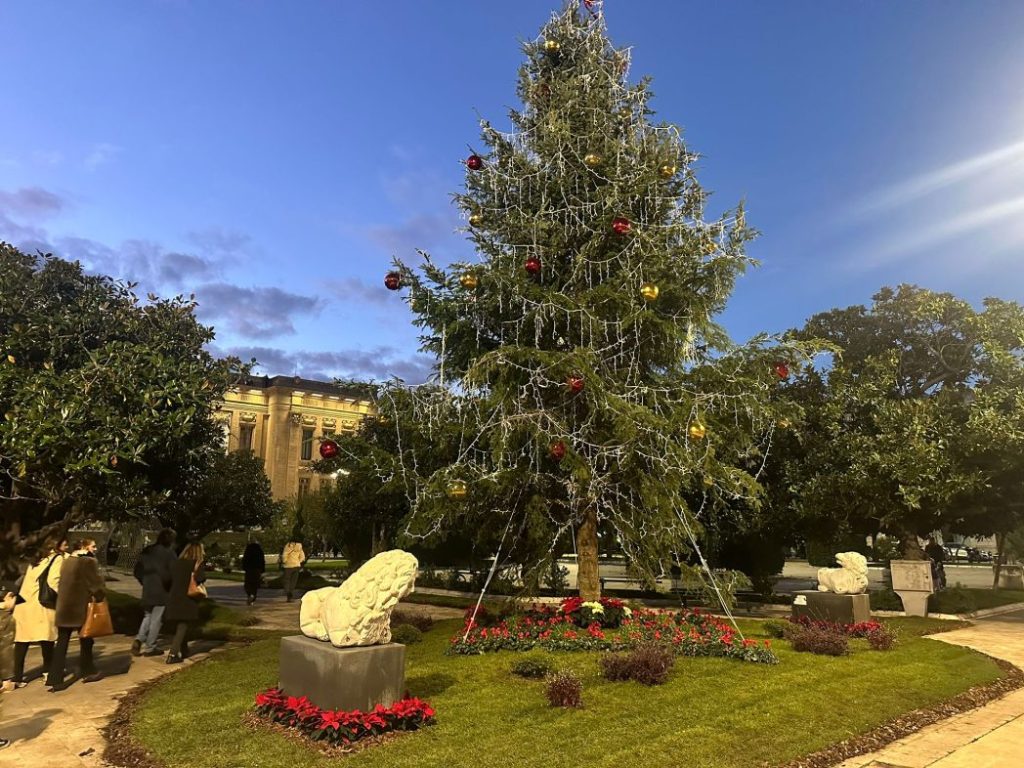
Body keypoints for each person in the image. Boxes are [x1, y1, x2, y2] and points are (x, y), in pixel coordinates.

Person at [47, 538, 105, 689]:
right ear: (85, 547)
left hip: (64, 607)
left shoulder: (67, 560)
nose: (96, 548)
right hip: (80, 607)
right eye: (93, 546)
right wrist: (100, 597)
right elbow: (96, 585)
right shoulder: (88, 562)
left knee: (62, 642)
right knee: (86, 639)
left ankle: (55, 677)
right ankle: (88, 670)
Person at [10, 539, 62, 686]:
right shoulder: (56, 559)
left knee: (21, 641)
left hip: (23, 604)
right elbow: (53, 582)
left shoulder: (34, 560)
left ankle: (17, 677)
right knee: (46, 639)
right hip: (40, 605)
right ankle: (47, 672)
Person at [132, 528, 177, 657]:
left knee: (148, 616)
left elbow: (137, 571)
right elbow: (172, 573)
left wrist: (144, 581)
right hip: (162, 590)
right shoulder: (169, 553)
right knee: (157, 620)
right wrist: (169, 584)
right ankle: (150, 647)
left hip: (148, 588)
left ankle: (139, 639)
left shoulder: (147, 551)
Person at [164, 543, 206, 664]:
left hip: (174, 597)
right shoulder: (196, 564)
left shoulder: (176, 563)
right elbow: (200, 578)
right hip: (187, 598)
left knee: (180, 624)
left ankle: (184, 649)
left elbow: (167, 579)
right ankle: (173, 654)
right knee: (183, 625)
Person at [241, 540, 266, 605]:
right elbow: (262, 560)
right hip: (257, 569)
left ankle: (250, 594)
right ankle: (253, 597)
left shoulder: (248, 549)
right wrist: (262, 569)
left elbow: (245, 559)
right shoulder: (259, 550)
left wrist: (244, 567)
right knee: (255, 584)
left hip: (249, 569)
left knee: (248, 584)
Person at [281, 538, 305, 602]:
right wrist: (298, 561)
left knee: (286, 580)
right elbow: (302, 556)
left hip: (288, 566)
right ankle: (291, 593)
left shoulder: (288, 546)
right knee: (293, 581)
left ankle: (288, 592)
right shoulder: (299, 546)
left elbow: (284, 555)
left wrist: (284, 561)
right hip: (296, 565)